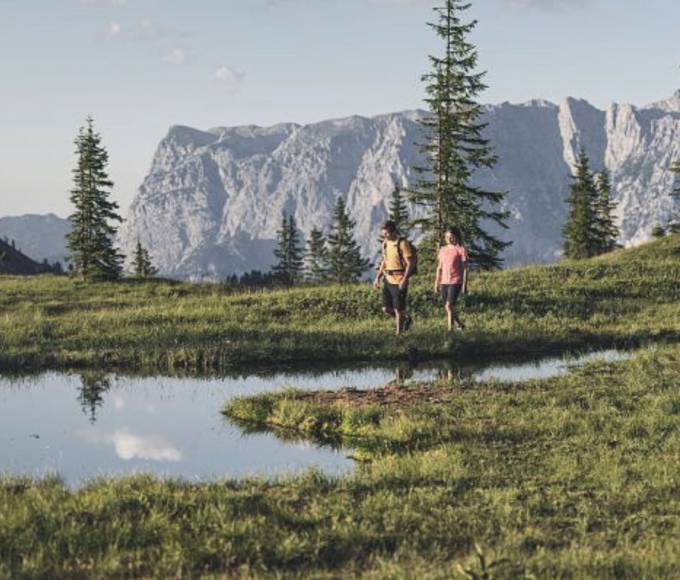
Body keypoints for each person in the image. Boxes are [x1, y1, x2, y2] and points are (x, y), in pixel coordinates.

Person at [373, 220, 414, 336]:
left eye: (386, 233)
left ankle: (398, 333)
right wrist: (378, 278)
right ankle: (405, 319)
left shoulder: (402, 243)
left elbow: (410, 263)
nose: (384, 235)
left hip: (400, 279)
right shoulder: (385, 244)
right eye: (383, 233)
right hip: (388, 278)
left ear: (393, 231)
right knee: (386, 308)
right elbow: (384, 262)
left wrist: (405, 279)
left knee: (398, 309)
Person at [434, 226, 468, 332]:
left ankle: (450, 331)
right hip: (444, 281)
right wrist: (436, 283)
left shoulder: (461, 249)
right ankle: (460, 325)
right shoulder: (443, 250)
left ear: (456, 237)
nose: (449, 239)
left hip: (456, 281)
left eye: (451, 237)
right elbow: (439, 268)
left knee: (449, 305)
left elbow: (465, 269)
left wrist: (464, 285)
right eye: (447, 237)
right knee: (448, 307)